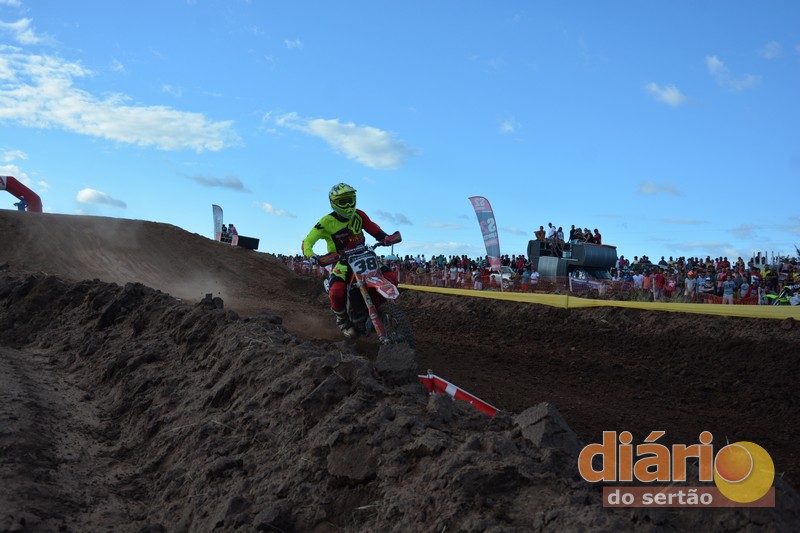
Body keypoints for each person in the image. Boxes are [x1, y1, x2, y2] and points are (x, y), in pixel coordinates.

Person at [302, 183, 399, 338]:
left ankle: (383, 307)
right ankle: (343, 320)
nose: (348, 205)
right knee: (336, 291)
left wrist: (386, 238)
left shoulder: (359, 215)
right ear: (334, 203)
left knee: (391, 277)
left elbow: (375, 230)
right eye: (343, 202)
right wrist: (312, 255)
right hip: (342, 262)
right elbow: (307, 242)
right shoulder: (326, 222)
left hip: (365, 257)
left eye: (350, 200)